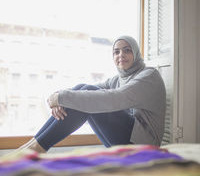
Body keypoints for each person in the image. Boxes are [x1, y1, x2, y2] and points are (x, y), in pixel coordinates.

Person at [20, 35, 166, 153]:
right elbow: (84, 91)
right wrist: (59, 98)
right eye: (116, 52)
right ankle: (32, 145)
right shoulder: (117, 79)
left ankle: (36, 148)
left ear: (136, 53)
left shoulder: (149, 76)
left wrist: (61, 98)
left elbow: (115, 98)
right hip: (126, 143)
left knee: (88, 96)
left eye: (127, 50)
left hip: (144, 148)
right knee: (84, 90)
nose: (121, 55)